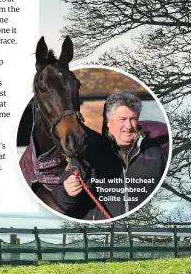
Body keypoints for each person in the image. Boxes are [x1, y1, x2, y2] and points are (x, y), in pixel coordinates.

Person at [53, 91, 169, 220]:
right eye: (122, 120)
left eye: (133, 119)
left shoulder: (157, 155)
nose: (129, 126)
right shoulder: (87, 155)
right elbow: (60, 201)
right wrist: (67, 192)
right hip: (100, 234)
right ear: (108, 122)